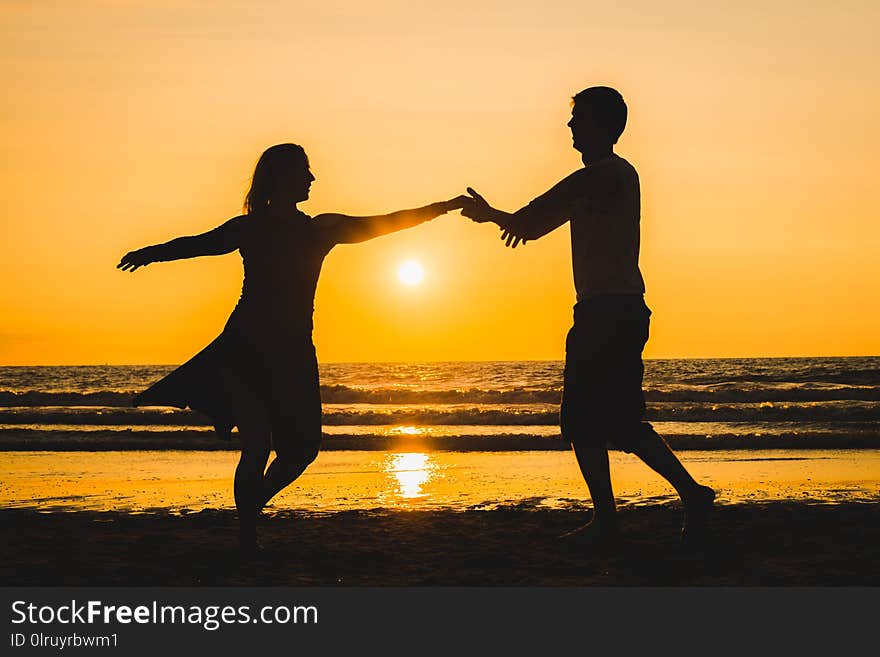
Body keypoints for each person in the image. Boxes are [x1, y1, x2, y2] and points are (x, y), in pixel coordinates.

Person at [118, 143, 468, 554]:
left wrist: (441, 206)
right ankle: (247, 536)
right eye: (304, 171)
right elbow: (197, 243)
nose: (312, 178)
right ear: (282, 178)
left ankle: (250, 509)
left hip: (294, 351)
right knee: (257, 445)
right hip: (245, 346)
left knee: (303, 449)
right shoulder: (249, 228)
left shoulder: (321, 229)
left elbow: (386, 223)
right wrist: (149, 254)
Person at [461, 87, 716, 546]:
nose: (570, 127)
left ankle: (673, 498)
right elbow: (531, 227)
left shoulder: (605, 175)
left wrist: (491, 214)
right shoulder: (596, 182)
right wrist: (501, 219)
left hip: (611, 312)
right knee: (592, 421)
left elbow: (528, 216)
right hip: (604, 310)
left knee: (604, 421)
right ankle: (627, 512)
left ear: (602, 125)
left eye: (577, 118)